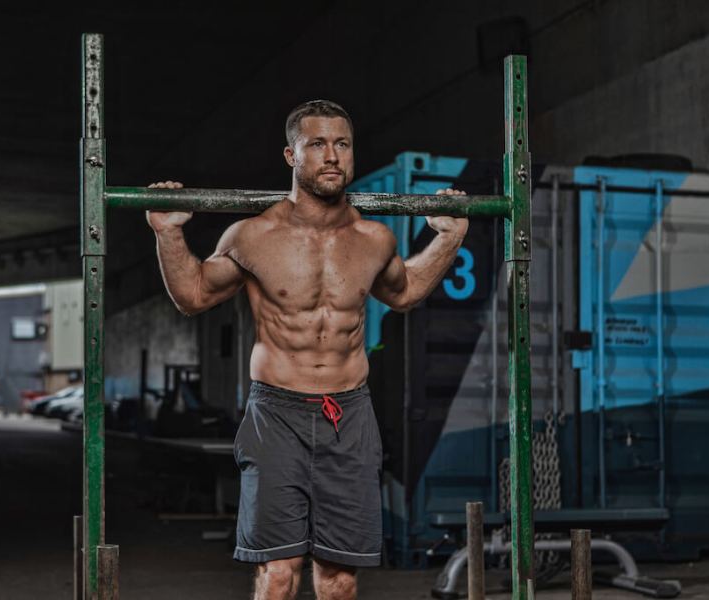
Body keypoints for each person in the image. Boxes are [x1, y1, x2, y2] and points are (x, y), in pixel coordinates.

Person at [146, 100, 468, 600]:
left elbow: (404, 293)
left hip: (350, 414)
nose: (332, 156)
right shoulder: (253, 235)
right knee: (278, 574)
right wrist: (168, 233)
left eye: (342, 144)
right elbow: (193, 296)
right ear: (291, 155)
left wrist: (448, 240)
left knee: (339, 579)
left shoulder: (373, 238)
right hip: (277, 413)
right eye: (317, 144)